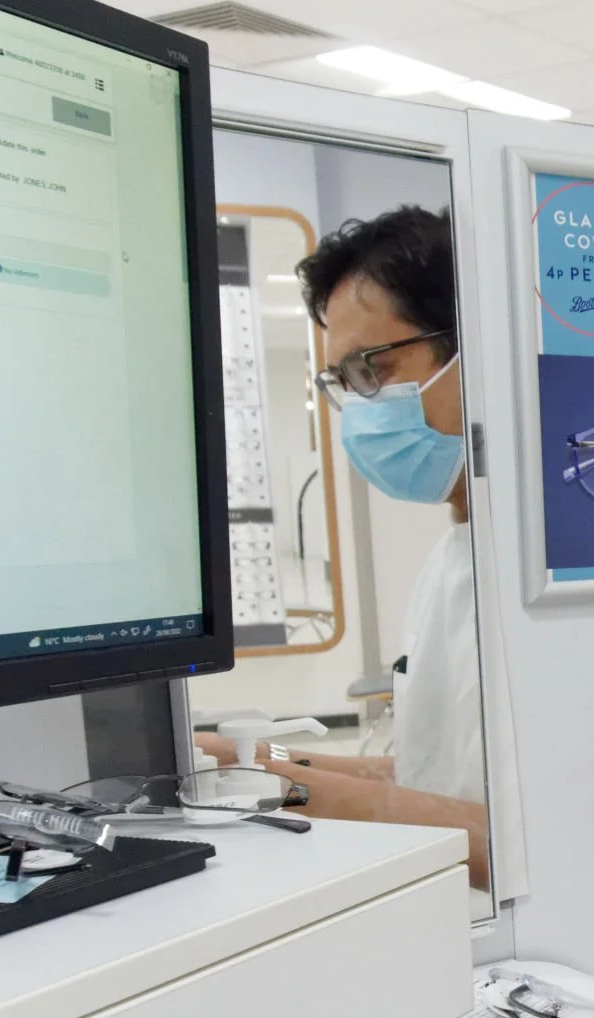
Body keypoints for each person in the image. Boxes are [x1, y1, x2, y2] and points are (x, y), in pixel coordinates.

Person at [197, 206, 498, 890]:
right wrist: (240, 759)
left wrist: (270, 786)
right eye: (344, 381)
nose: (361, 404)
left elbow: (514, 834)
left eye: (374, 368)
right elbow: (427, 776)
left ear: (474, 345)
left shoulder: (543, 577)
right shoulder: (457, 554)